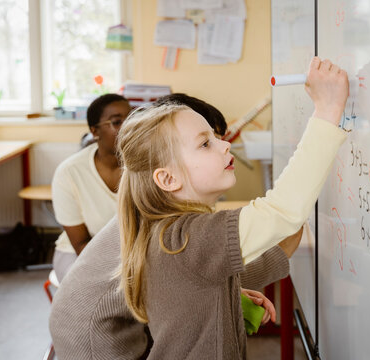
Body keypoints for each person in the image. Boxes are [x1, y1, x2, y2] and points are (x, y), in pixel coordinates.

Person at [117, 57, 349, 359]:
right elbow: (282, 210)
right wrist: (327, 111)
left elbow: (187, 293)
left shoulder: (171, 231)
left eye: (216, 138)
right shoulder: (188, 237)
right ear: (168, 178)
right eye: (205, 144)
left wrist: (227, 298)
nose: (224, 145)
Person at [49, 93, 304, 359]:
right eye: (205, 143)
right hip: (92, 339)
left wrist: (233, 293)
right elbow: (196, 271)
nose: (223, 147)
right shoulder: (165, 220)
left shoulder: (164, 202)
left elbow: (191, 276)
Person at [51, 93, 131, 282]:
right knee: (92, 291)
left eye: (132, 119)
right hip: (78, 253)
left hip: (133, 253)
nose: (128, 128)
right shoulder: (69, 172)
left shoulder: (145, 166)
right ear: (94, 131)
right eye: (117, 122)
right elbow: (80, 244)